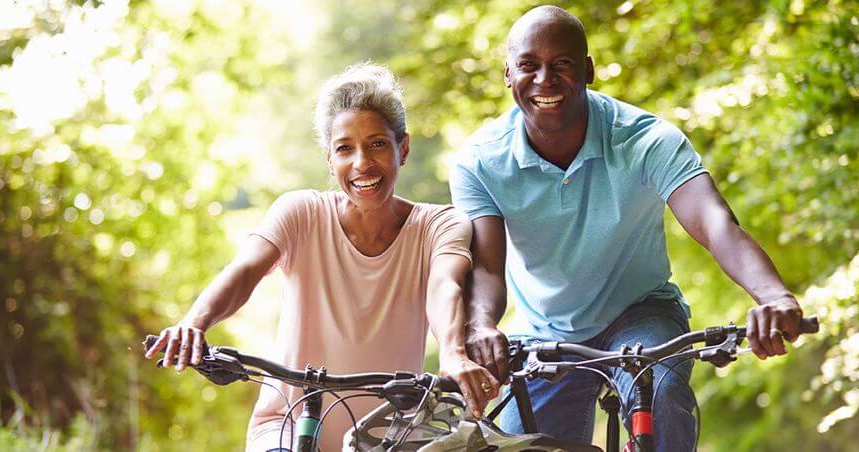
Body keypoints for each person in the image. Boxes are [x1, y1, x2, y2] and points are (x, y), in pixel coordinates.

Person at [449, 6, 804, 451]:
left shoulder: (645, 140)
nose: (545, 79)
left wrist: (773, 296)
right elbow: (484, 267)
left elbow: (716, 225)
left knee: (660, 391)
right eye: (528, 65)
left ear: (588, 70)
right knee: (515, 443)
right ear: (507, 74)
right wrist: (480, 325)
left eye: (562, 64)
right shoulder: (479, 161)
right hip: (544, 331)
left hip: (641, 312)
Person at [145, 63, 499, 452]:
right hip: (286, 425)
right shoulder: (301, 213)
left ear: (404, 148)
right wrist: (194, 323)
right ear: (329, 160)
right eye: (345, 148)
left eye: (377, 143)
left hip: (388, 436)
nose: (361, 162)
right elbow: (245, 271)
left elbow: (444, 286)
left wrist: (452, 352)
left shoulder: (439, 225)